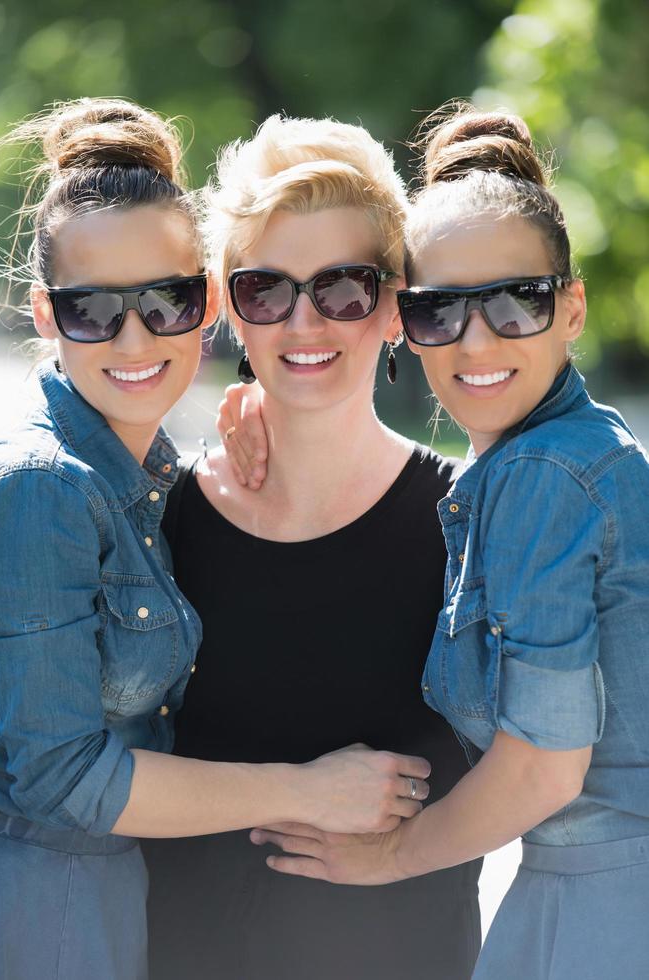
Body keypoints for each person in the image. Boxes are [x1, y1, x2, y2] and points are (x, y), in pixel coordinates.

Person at [0, 99, 430, 980]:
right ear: (45, 314)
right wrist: (306, 790)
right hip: (61, 921)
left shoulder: (148, 477)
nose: (134, 337)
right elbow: (60, 778)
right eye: (91, 310)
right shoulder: (50, 486)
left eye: (167, 300)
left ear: (206, 306)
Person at [249, 107, 649, 979]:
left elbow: (544, 769)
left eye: (516, 302)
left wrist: (386, 859)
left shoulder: (547, 478)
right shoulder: (559, 454)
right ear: (403, 322)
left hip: (605, 912)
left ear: (571, 306)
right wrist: (266, 413)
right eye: (439, 311)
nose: (475, 341)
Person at [143, 114, 483, 980]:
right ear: (228, 307)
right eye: (268, 290)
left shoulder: (473, 518)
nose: (304, 323)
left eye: (341, 288)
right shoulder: (157, 517)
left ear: (396, 306)